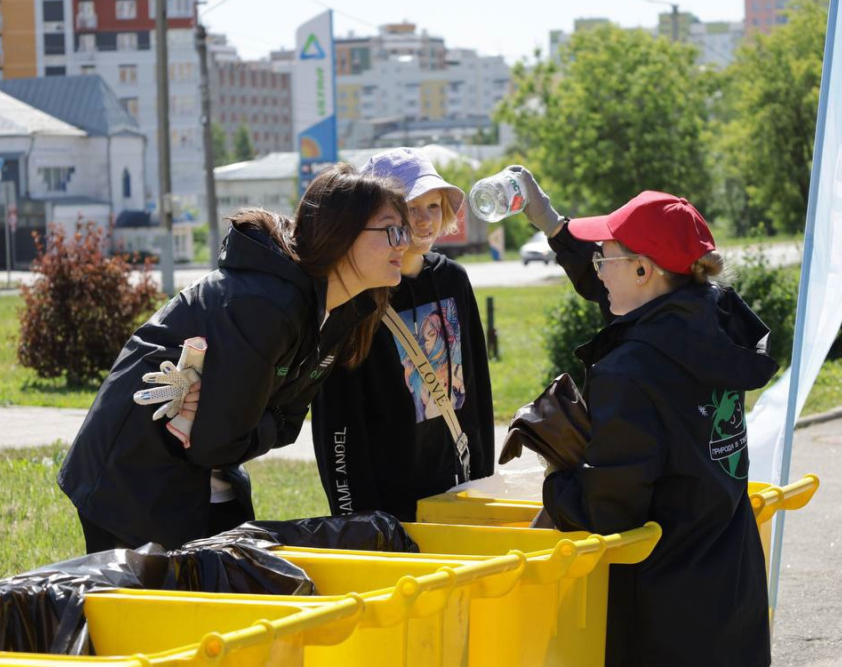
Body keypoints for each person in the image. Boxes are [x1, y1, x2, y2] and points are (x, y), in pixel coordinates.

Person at [58, 164, 412, 553]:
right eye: (392, 230)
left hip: (205, 476)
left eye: (405, 232)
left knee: (219, 590)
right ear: (341, 232)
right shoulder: (267, 305)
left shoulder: (344, 310)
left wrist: (236, 416)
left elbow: (286, 425)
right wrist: (243, 421)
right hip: (131, 476)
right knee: (154, 607)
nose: (404, 244)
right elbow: (220, 441)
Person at [513, 167, 779, 667]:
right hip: (731, 583)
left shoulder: (629, 372)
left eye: (604, 258)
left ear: (643, 270)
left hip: (663, 607)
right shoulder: (714, 323)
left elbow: (611, 510)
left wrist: (558, 477)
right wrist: (553, 226)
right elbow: (638, 307)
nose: (597, 269)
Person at [311, 148, 495, 522]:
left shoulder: (453, 280)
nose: (425, 220)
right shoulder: (354, 296)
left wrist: (483, 480)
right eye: (412, 208)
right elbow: (338, 420)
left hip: (457, 491)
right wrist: (357, 519)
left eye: (434, 206)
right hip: (388, 505)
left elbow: (477, 390)